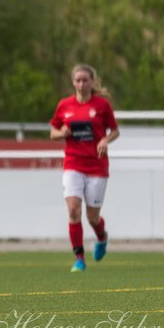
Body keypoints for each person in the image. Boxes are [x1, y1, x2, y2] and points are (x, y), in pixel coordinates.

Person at [49, 63, 118, 273]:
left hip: (97, 166)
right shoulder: (64, 106)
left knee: (92, 217)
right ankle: (79, 258)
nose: (81, 84)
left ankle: (101, 236)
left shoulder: (102, 105)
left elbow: (115, 131)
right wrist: (62, 133)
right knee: (73, 210)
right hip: (73, 164)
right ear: (73, 82)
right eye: (77, 80)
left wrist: (105, 140)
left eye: (85, 80)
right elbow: (53, 132)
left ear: (92, 81)